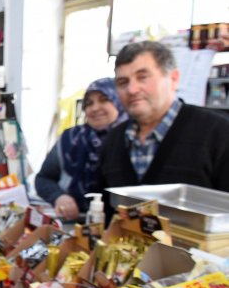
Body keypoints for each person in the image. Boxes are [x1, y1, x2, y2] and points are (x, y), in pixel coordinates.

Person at [99, 41, 229, 193]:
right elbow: (104, 207)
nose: (132, 89)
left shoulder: (218, 133)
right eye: (123, 82)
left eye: (142, 77)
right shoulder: (113, 141)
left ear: (173, 79)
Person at [35, 77, 128, 220]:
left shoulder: (131, 139)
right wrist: (59, 197)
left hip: (121, 229)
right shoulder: (71, 139)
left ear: (119, 102)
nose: (95, 108)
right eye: (89, 103)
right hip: (75, 224)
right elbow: (43, 178)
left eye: (104, 100)